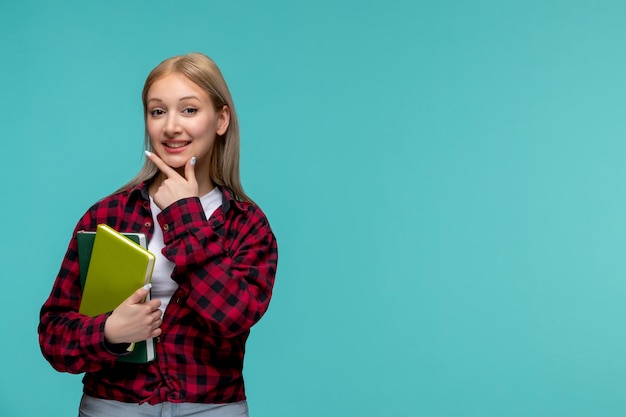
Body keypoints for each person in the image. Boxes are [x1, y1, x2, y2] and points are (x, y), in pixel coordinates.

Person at [38, 52, 278, 417]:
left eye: (189, 110)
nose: (171, 127)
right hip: (113, 406)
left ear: (221, 120)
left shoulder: (247, 224)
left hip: (212, 408)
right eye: (157, 111)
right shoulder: (107, 216)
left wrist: (185, 214)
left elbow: (232, 317)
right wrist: (108, 331)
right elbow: (53, 336)